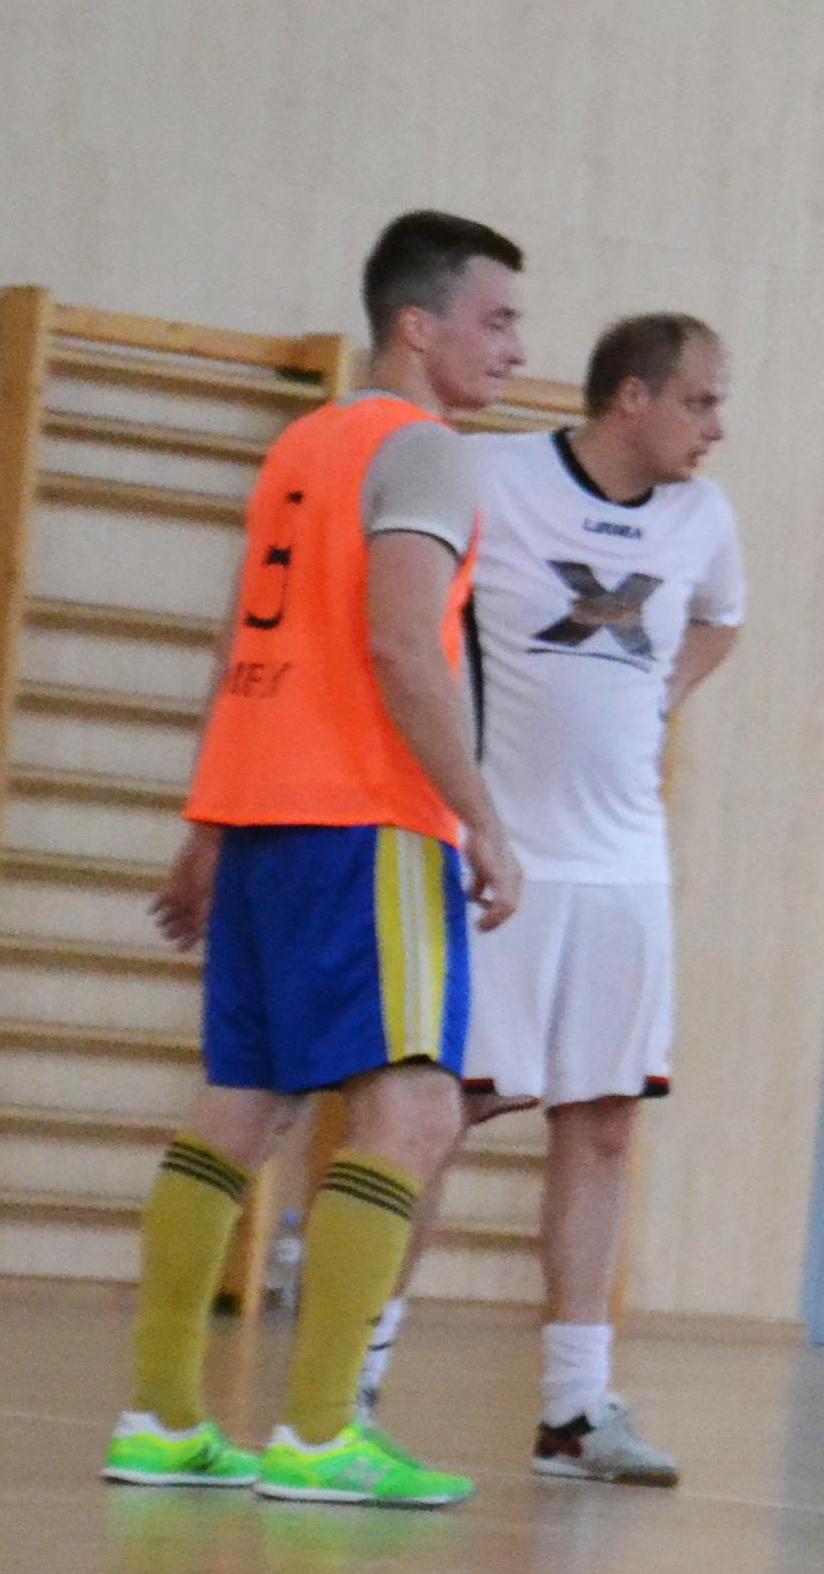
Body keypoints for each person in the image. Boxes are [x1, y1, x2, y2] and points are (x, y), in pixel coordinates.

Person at [98, 209, 527, 1508]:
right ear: (419, 324)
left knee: (245, 1104)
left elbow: (248, 649)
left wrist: (209, 826)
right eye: (497, 319)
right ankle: (324, 1432)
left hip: (267, 816)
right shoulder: (425, 452)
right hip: (368, 817)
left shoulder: (303, 446)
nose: (516, 348)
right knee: (415, 1110)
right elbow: (402, 646)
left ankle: (163, 1419)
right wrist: (483, 815)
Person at [392, 311, 745, 1489]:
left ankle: (574, 1411)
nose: (715, 428)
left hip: (627, 868)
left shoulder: (705, 518)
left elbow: (721, 618)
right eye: (699, 402)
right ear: (631, 397)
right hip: (498, 858)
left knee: (603, 1125)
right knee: (434, 1116)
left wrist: (662, 698)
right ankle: (355, 1382)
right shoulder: (490, 476)